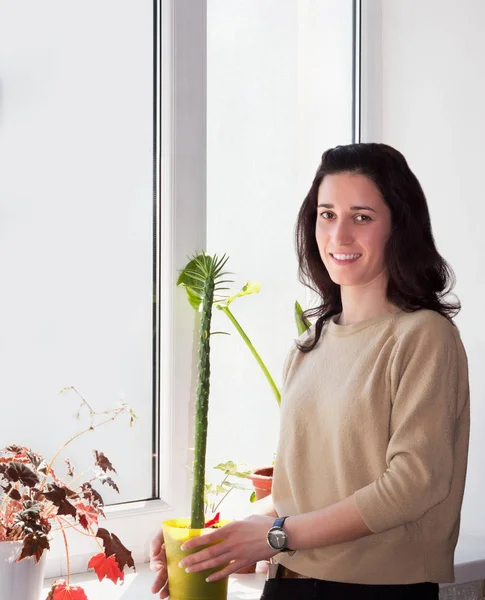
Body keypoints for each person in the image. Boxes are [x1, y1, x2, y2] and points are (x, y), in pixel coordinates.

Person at [150, 143, 470, 600]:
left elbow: (413, 485)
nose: (339, 236)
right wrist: (210, 538)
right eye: (326, 214)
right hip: (288, 584)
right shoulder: (310, 345)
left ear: (400, 226)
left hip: (378, 589)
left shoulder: (423, 336)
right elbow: (301, 489)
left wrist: (277, 535)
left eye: (362, 216)